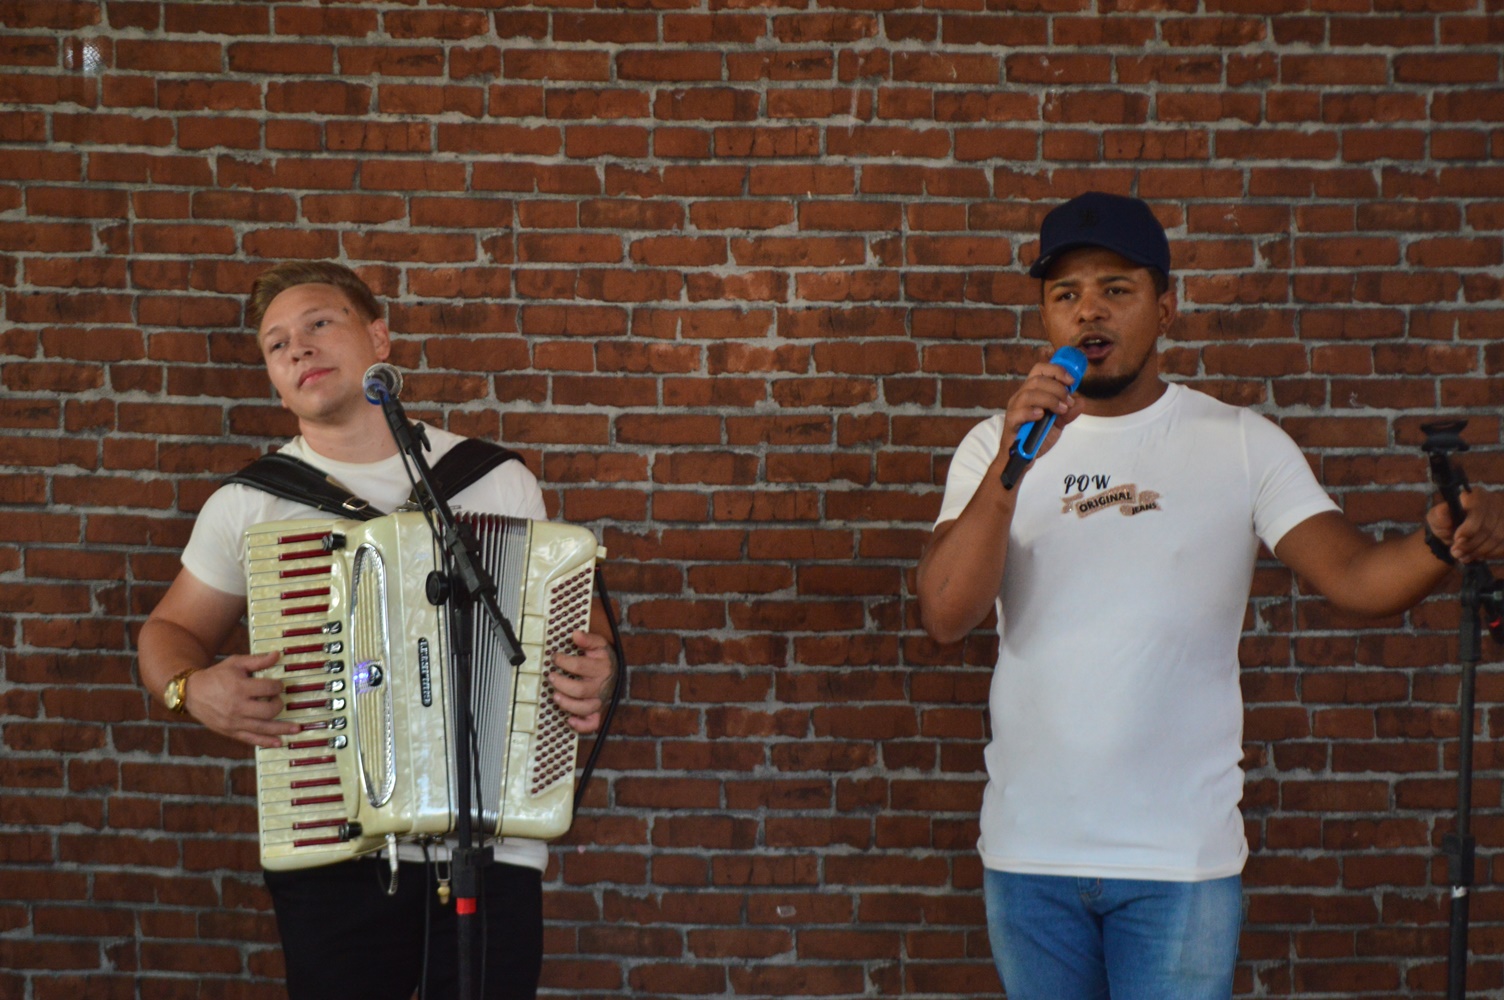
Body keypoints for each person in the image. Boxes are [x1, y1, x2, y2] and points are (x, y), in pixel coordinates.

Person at [915, 191, 1504, 1000]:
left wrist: (1440, 540)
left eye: (1116, 289)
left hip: (1178, 867)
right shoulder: (994, 447)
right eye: (1065, 294)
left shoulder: (1240, 442)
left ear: (1166, 306)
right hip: (1029, 861)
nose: (1089, 311)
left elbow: (1358, 579)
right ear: (1046, 315)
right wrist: (1011, 470)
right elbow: (947, 613)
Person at [137, 261, 618, 1000]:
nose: (298, 348)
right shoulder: (251, 505)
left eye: (318, 323)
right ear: (275, 380)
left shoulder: (494, 479)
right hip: (331, 849)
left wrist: (598, 669)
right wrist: (188, 688)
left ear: (379, 338)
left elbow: (573, 622)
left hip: (491, 848)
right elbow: (170, 629)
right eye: (276, 344)